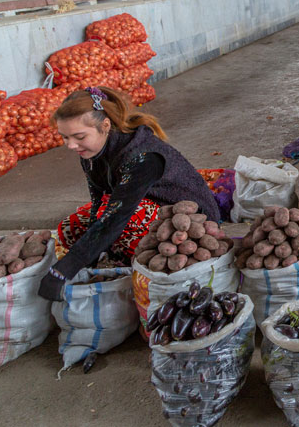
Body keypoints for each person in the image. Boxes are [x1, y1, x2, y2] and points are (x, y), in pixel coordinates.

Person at [37, 87, 219, 301]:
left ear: (105, 125)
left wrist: (63, 270)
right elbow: (98, 202)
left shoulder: (142, 156)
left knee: (125, 221)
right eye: (65, 137)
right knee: (72, 227)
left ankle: (140, 266)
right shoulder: (91, 153)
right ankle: (118, 260)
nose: (71, 145)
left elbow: (117, 216)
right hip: (141, 209)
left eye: (78, 136)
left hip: (191, 223)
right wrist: (91, 258)